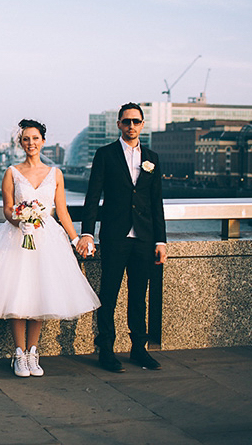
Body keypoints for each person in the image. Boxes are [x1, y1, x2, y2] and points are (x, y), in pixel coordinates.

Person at [0, 119, 100, 377]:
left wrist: (76, 239)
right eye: (25, 139)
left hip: (48, 240)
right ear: (21, 143)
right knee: (17, 295)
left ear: (43, 141)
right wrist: (20, 221)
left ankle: (34, 352)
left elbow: (61, 211)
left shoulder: (56, 173)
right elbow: (8, 209)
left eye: (35, 138)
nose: (30, 143)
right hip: (16, 239)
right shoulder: (12, 172)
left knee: (40, 294)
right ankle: (18, 354)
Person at [76, 103, 167, 373]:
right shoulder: (105, 155)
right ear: (118, 124)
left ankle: (139, 349)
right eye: (126, 121)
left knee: (139, 296)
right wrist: (87, 232)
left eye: (136, 121)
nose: (131, 126)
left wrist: (161, 241)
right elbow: (93, 197)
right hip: (115, 236)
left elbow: (156, 201)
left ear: (142, 124)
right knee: (109, 294)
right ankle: (106, 349)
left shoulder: (152, 157)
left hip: (144, 238)